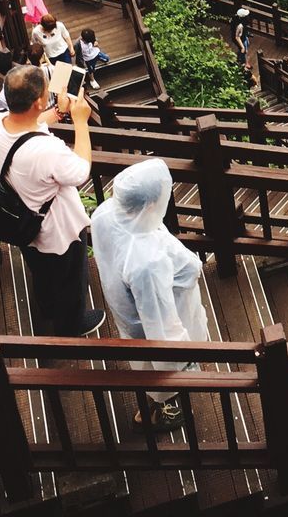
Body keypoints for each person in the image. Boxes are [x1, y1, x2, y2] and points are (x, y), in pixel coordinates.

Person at [0, 65, 103, 337]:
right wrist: (80, 120)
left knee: (41, 268)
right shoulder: (48, 151)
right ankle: (71, 324)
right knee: (70, 276)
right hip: (54, 227)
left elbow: (28, 125)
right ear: (38, 101)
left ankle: (47, 306)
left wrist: (59, 112)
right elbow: (81, 170)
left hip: (21, 218)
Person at [91, 159, 209, 431]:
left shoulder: (107, 213)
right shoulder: (147, 263)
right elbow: (161, 328)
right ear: (151, 205)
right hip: (156, 316)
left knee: (147, 363)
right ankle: (162, 410)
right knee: (159, 371)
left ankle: (159, 401)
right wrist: (184, 357)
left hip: (129, 309)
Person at [231, 7, 253, 80]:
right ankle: (242, 65)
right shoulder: (240, 26)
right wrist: (242, 46)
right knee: (243, 52)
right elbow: (237, 37)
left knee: (245, 50)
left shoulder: (241, 22)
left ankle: (244, 62)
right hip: (241, 40)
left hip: (244, 38)